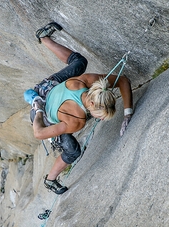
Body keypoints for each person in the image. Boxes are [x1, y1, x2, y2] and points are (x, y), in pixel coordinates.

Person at [24, 22, 133, 195]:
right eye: (101, 115)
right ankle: (50, 180)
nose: (102, 119)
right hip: (41, 110)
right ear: (92, 106)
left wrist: (128, 113)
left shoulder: (88, 81)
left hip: (47, 88)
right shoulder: (76, 121)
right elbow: (38, 133)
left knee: (79, 62)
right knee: (73, 151)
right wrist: (38, 109)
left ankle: (43, 38)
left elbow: (123, 80)